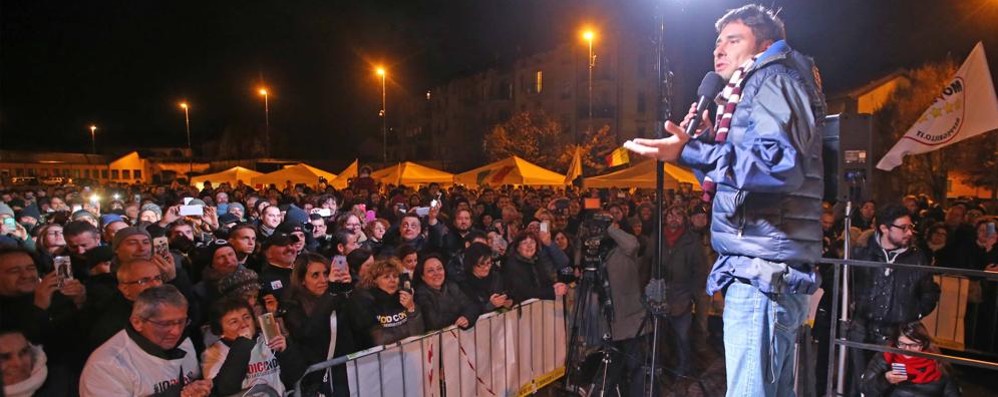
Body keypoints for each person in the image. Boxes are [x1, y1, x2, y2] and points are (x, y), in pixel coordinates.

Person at [624, 5, 826, 395]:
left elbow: (780, 165)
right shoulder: (755, 87)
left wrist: (687, 152)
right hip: (762, 266)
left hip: (762, 272)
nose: (719, 50)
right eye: (717, 42)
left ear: (765, 45)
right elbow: (736, 181)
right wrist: (700, 143)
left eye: (734, 40)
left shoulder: (772, 79)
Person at [849, 204, 940, 394]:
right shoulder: (862, 252)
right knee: (860, 383)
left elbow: (929, 292)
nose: (909, 232)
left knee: (892, 385)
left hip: (895, 335)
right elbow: (845, 284)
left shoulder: (916, 257)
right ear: (884, 228)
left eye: (910, 227)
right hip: (862, 329)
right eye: (903, 227)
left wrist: (913, 312)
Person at [80, 285, 212, 397]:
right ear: (137, 322)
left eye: (181, 322)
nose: (176, 331)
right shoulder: (106, 366)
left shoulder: (184, 341)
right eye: (166, 324)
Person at [282, 253, 356, 396]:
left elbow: (360, 323)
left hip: (346, 373)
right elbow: (308, 333)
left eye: (326, 273)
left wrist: (348, 290)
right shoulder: (292, 305)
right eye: (315, 275)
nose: (324, 280)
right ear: (302, 280)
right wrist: (331, 294)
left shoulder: (337, 295)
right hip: (316, 378)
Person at [201, 298, 305, 396]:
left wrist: (285, 351)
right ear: (220, 330)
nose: (244, 324)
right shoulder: (214, 353)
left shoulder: (267, 340)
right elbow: (224, 390)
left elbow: (294, 377)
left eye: (247, 317)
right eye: (234, 321)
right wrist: (242, 344)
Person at [858, 322, 960, 397]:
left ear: (923, 344)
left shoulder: (937, 361)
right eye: (902, 344)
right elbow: (866, 390)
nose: (907, 349)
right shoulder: (885, 358)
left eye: (913, 345)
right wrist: (885, 380)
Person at [350, 258, 424, 345]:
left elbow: (418, 333)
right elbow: (380, 341)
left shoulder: (406, 298)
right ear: (375, 280)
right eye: (386, 277)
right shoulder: (368, 302)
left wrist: (411, 308)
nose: (392, 280)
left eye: (395, 276)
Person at [414, 254, 479, 331]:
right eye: (430, 271)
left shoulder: (452, 286)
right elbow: (434, 322)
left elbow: (472, 306)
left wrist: (466, 317)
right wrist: (458, 318)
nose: (436, 273)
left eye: (439, 269)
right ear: (423, 276)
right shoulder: (419, 295)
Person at [502, 232, 569, 303]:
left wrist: (556, 286)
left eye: (532, 242)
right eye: (524, 243)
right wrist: (553, 291)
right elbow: (525, 292)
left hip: (541, 304)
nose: (529, 246)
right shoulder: (512, 265)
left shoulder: (537, 260)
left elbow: (546, 281)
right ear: (518, 248)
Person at [459, 242, 513, 314]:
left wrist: (510, 300)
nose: (486, 268)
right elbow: (471, 311)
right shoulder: (463, 285)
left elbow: (511, 292)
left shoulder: (496, 277)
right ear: (471, 264)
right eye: (481, 264)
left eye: (488, 263)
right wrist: (490, 305)